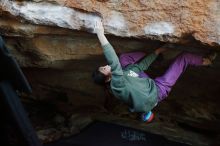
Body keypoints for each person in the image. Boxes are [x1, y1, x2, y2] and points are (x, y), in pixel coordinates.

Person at [92, 21, 217, 123]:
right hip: (158, 90)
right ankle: (207, 61)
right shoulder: (116, 86)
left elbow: (140, 66)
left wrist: (158, 51)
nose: (105, 65)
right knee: (184, 57)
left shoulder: (123, 75)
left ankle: (158, 58)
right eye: (103, 69)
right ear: (107, 78)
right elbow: (113, 61)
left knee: (125, 60)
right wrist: (100, 34)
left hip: (146, 86)